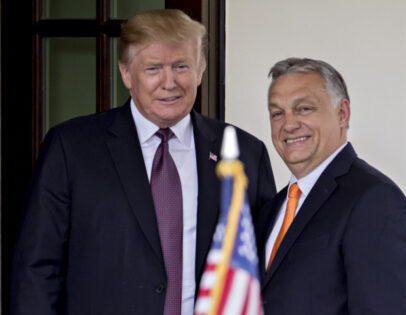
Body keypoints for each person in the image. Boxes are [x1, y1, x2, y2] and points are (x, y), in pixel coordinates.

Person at [10, 9, 276, 315]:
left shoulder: (244, 152)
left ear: (200, 71)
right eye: (153, 68)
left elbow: (267, 270)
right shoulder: (71, 148)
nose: (169, 82)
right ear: (126, 73)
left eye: (181, 66)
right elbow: (36, 271)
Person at [257, 57, 406, 314]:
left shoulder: (376, 202)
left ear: (342, 113)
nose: (288, 124)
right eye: (277, 113)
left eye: (304, 109)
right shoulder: (271, 210)